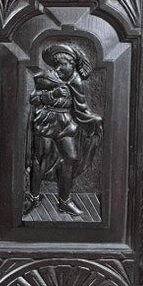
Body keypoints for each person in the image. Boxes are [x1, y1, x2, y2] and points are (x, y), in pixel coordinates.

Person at [24, 42, 103, 218]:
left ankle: (64, 201)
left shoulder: (75, 80)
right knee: (39, 159)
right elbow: (34, 99)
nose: (59, 68)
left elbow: (81, 106)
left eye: (64, 65)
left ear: (72, 65)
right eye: (57, 64)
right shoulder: (45, 76)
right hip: (46, 121)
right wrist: (52, 95)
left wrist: (93, 120)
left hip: (66, 123)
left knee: (71, 158)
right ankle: (34, 197)